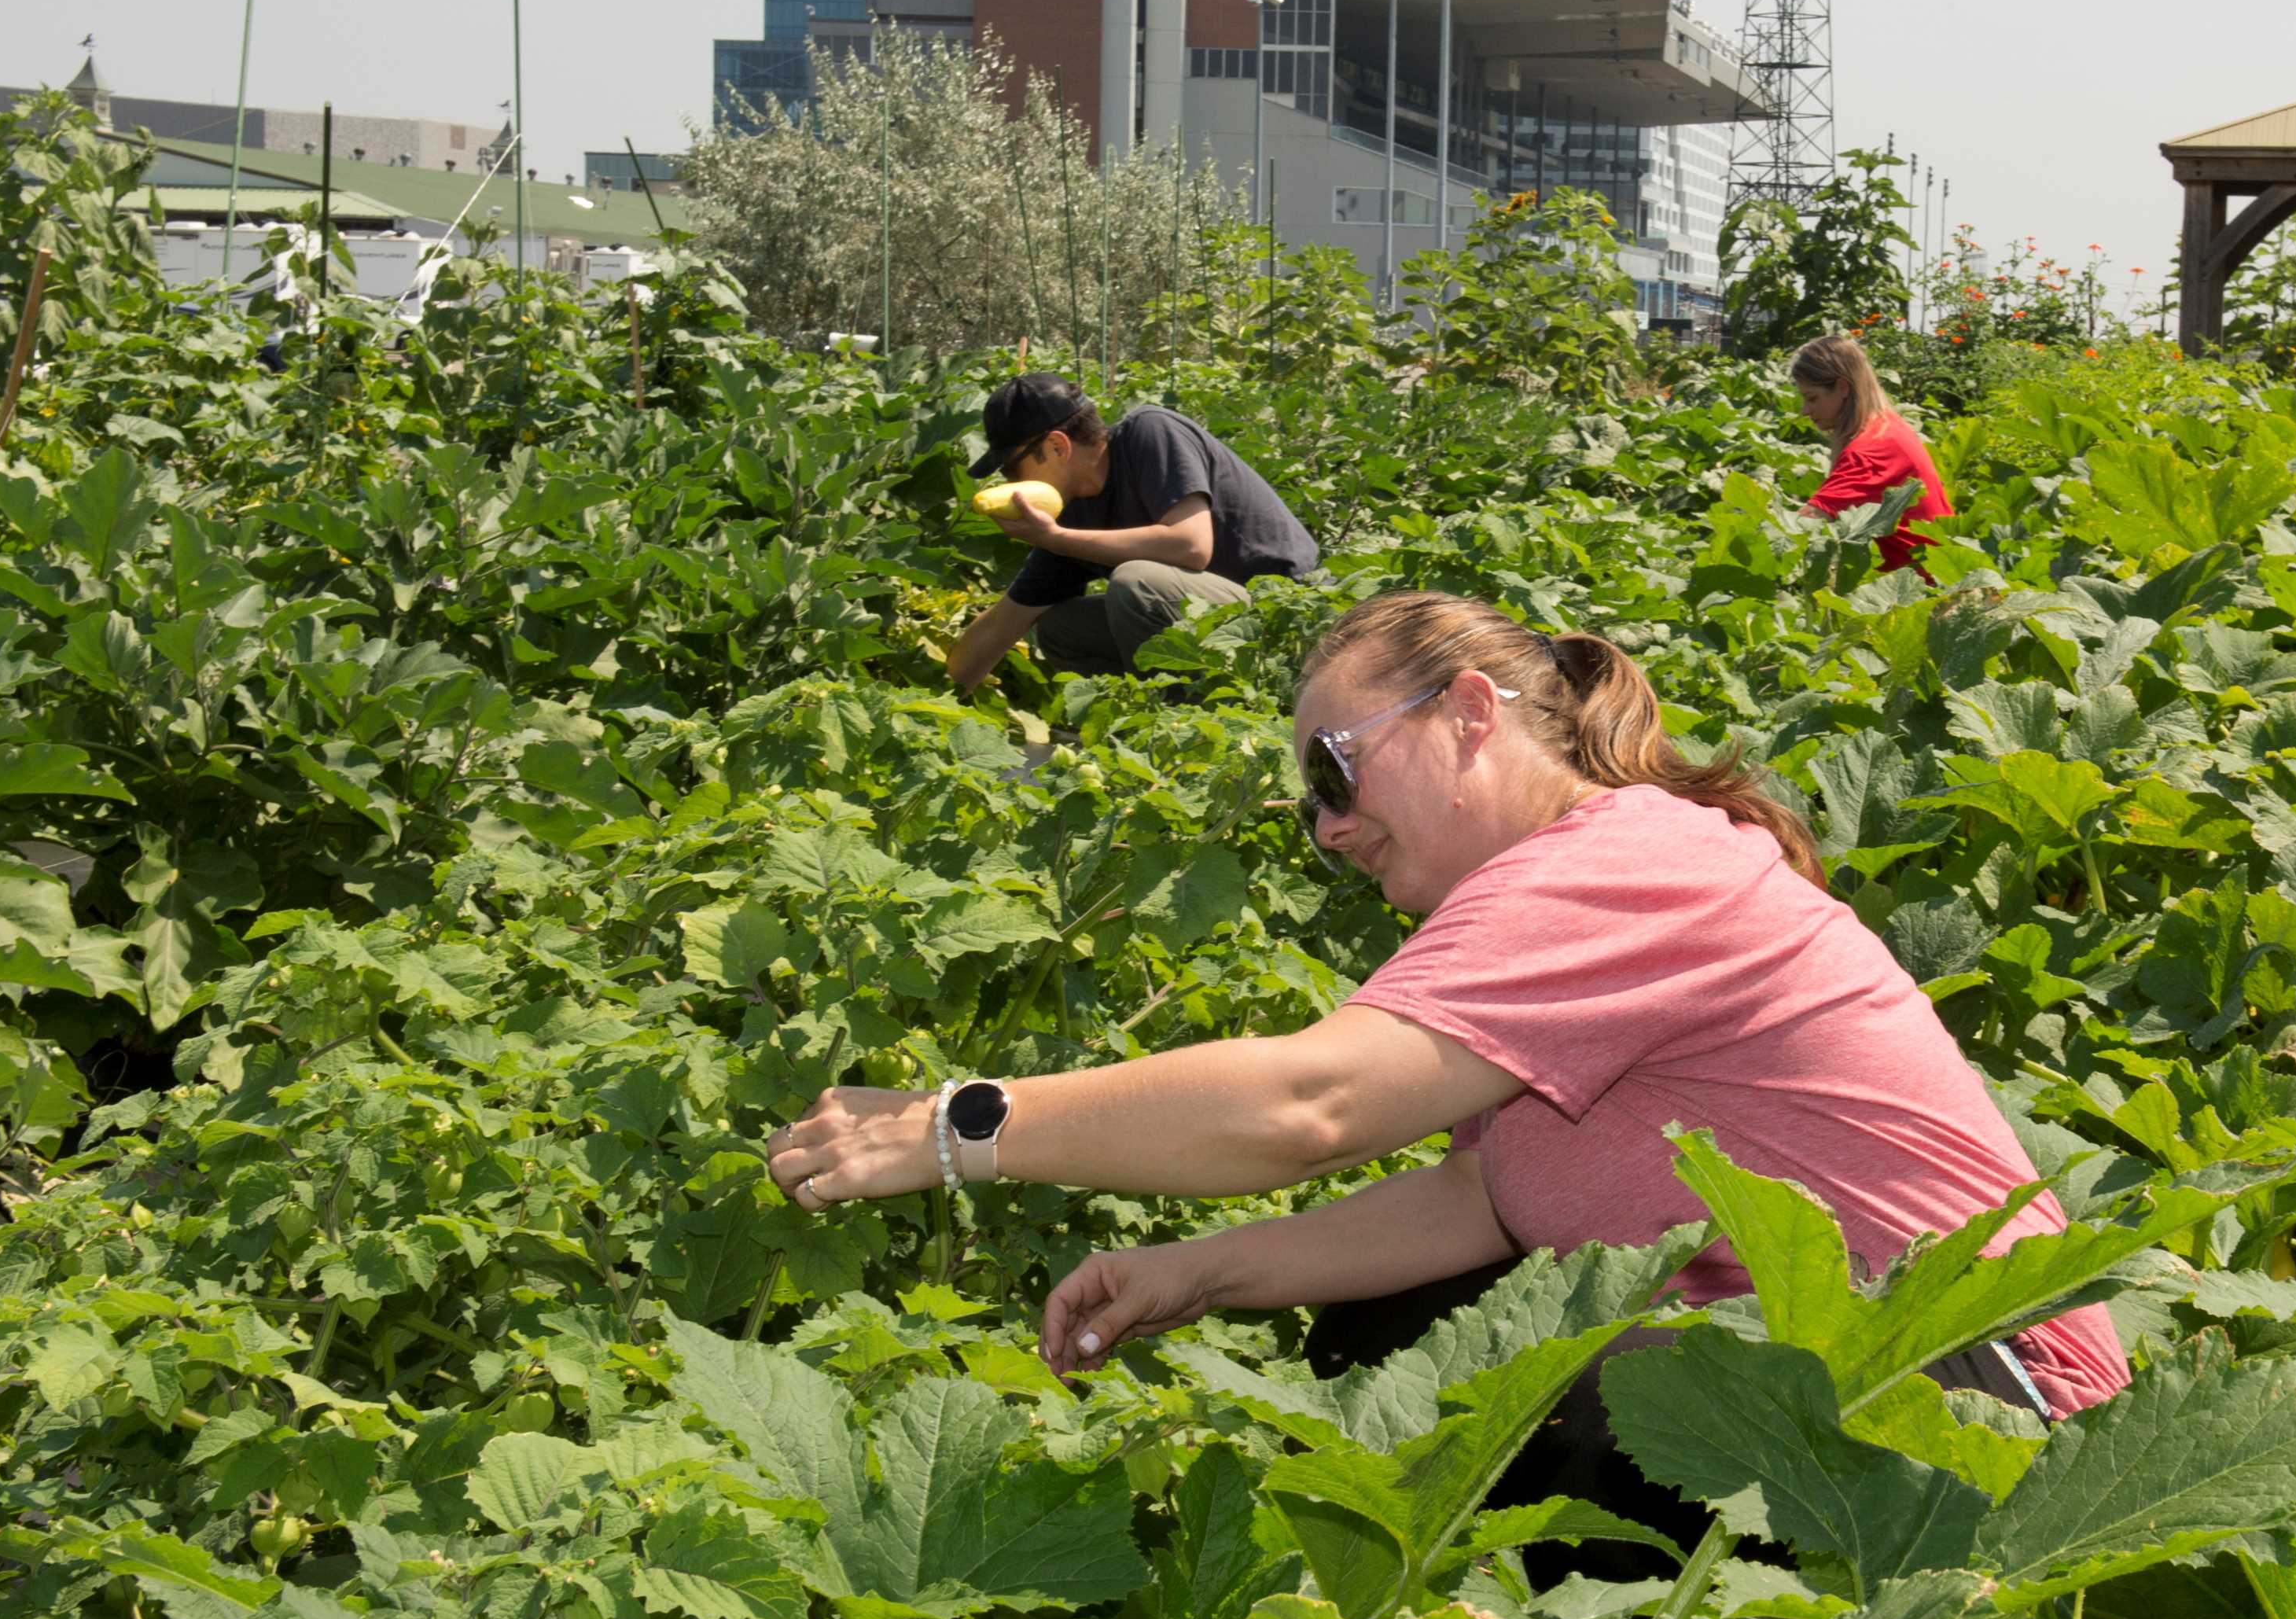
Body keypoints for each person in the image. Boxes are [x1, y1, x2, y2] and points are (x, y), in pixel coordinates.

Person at [766, 591, 2132, 1523]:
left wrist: (957, 1127)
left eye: (1339, 774)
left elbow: (1311, 1102)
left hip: (1976, 1400)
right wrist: (1196, 1276)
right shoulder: (1554, 899)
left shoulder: (1618, 864)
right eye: (1307, 806)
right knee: (1410, 1340)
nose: (1329, 828)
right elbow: (1479, 1203)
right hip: (1842, 1382)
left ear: (1470, 714)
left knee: (1560, 1394)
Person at [944, 372, 1321, 690]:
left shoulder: (1151, 431)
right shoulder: (1071, 515)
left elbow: (1191, 545)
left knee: (1136, 582)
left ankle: (1183, 736)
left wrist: (1055, 538)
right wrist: (933, 701)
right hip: (1217, 625)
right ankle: (1141, 729)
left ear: (1057, 447)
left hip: (1283, 621)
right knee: (1061, 628)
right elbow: (1004, 622)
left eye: (1012, 468)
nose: (1010, 482)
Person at [1791, 335, 1954, 570]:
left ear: (1842, 387)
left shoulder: (1869, 451)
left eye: (1812, 398)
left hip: (1921, 588)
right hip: (1933, 573)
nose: (1805, 410)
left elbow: (1803, 525)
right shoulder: (1887, 426)